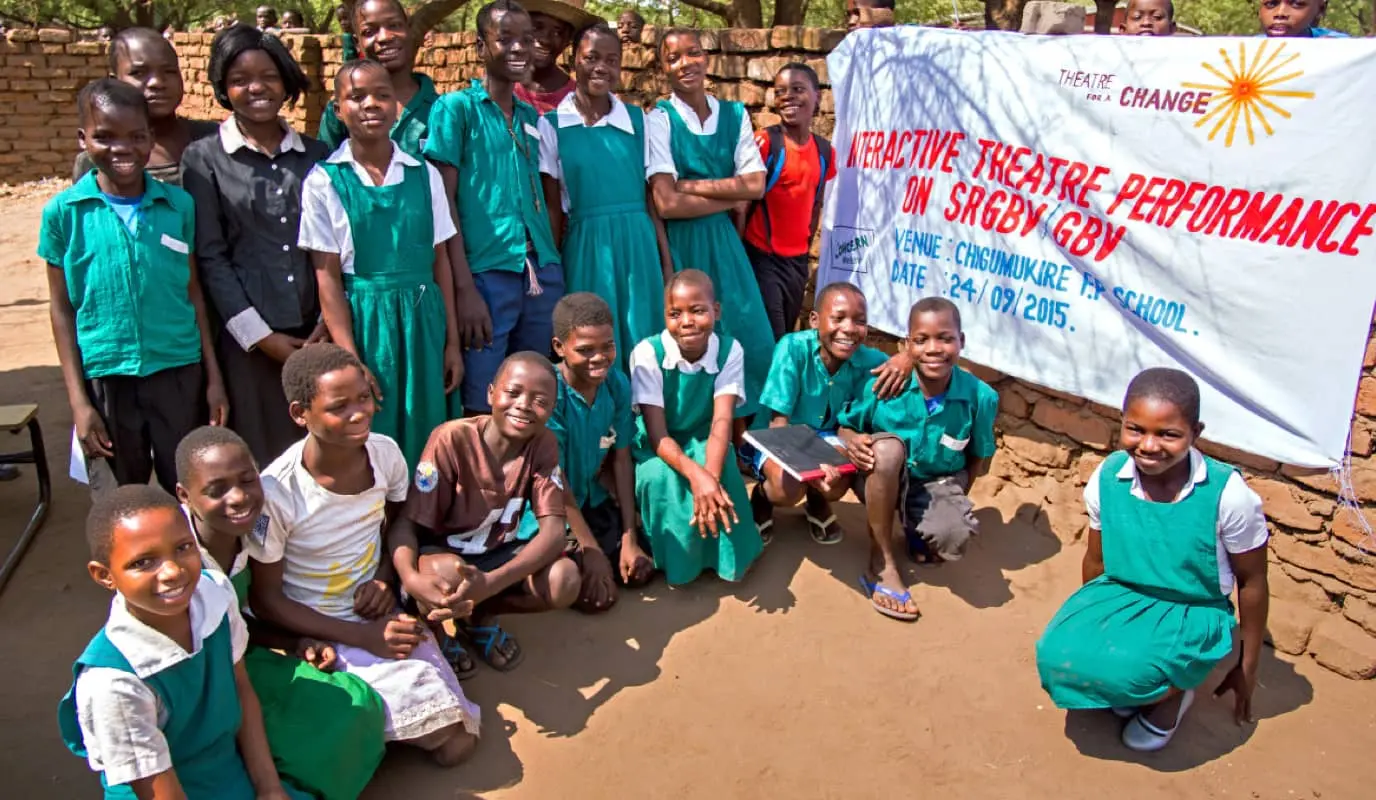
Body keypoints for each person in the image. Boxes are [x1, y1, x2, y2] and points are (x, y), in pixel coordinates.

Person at [249, 344, 481, 765]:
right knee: (446, 739)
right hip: (321, 626)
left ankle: (385, 702)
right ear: (301, 413)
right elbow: (265, 599)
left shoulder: (384, 452)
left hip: (378, 611)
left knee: (456, 742)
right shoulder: (277, 493)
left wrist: (385, 579)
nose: (360, 412)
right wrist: (360, 637)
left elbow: (397, 524)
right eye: (340, 406)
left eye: (363, 397)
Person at [1036, 368, 1270, 752]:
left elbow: (1253, 581)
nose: (1148, 445)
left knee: (1133, 674)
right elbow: (1095, 560)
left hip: (1193, 607)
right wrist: (1095, 626)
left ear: (1196, 432)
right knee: (1056, 657)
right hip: (1125, 591)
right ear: (1121, 422)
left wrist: (1247, 664)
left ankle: (1173, 697)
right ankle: (1144, 684)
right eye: (1135, 429)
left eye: (1168, 434)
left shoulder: (1227, 494)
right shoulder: (1109, 475)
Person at [174, 426, 386, 799]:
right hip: (195, 684)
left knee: (355, 706)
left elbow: (237, 620)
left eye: (247, 480)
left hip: (242, 658)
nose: (238, 497)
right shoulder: (177, 561)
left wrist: (293, 641)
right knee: (291, 745)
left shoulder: (257, 525)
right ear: (184, 495)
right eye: (216, 489)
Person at [44, 80, 228, 496]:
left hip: (178, 373)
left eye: (136, 136)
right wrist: (80, 402)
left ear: (150, 138)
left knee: (189, 489)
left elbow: (194, 293)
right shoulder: (64, 213)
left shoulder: (179, 206)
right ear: (82, 139)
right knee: (119, 498)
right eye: (104, 137)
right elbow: (61, 309)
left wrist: (213, 377)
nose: (121, 148)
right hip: (107, 377)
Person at [58, 485, 300, 799]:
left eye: (183, 547)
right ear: (105, 575)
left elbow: (240, 687)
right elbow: (157, 789)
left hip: (223, 769)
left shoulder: (214, 593)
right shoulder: (114, 681)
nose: (172, 571)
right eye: (143, 562)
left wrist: (269, 788)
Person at [300, 59, 463, 469]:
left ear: (396, 107)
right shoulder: (324, 181)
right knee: (374, 422)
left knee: (427, 424)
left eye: (382, 95)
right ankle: (379, 518)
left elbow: (440, 259)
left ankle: (425, 516)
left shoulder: (424, 174)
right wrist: (349, 359)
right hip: (366, 320)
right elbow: (328, 277)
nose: (371, 104)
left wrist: (452, 343)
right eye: (356, 97)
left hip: (424, 317)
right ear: (337, 109)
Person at [183, 26, 330, 468]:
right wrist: (261, 338)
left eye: (267, 75)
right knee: (262, 459)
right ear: (224, 89)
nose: (256, 88)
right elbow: (210, 257)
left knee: (318, 449)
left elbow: (334, 248)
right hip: (248, 344)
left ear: (286, 81)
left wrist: (325, 323)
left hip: (314, 333)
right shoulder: (204, 158)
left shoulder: (318, 155)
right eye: (240, 79)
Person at [392, 352, 580, 673]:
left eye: (540, 400)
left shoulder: (542, 443)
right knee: (452, 572)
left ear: (552, 409)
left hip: (491, 557)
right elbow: (404, 525)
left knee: (565, 579)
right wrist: (410, 579)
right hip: (440, 559)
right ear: (491, 393)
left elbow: (552, 532)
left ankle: (476, 617)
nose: (523, 404)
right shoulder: (451, 439)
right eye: (513, 392)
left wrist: (489, 585)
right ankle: (435, 627)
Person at [425, 0, 565, 416]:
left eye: (527, 38)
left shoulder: (528, 114)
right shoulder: (457, 110)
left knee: (536, 388)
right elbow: (442, 201)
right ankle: (482, 480)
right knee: (485, 399)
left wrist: (551, 260)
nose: (520, 48)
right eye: (505, 38)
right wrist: (464, 289)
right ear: (480, 45)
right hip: (485, 274)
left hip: (540, 269)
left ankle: (528, 479)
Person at [837, 297, 998, 621]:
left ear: (961, 342)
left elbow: (977, 459)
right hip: (878, 476)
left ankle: (914, 527)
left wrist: (947, 505)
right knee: (888, 451)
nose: (934, 349)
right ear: (906, 345)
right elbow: (845, 426)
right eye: (921, 340)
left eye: (946, 338)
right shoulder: (883, 384)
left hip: (936, 481)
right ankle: (879, 564)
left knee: (952, 536)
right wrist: (852, 441)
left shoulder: (980, 397)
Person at [647, 28, 772, 420]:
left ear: (707, 58)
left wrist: (693, 186)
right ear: (662, 68)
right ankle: (704, 429)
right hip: (683, 245)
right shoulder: (659, 119)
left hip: (724, 241)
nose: (686, 63)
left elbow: (755, 185)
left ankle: (750, 434)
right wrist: (728, 197)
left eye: (693, 53)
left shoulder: (734, 115)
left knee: (752, 336)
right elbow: (666, 203)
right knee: (694, 339)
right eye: (674, 58)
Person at [538, 22, 671, 371]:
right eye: (592, 57)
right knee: (589, 340)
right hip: (586, 245)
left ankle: (643, 421)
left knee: (642, 335)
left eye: (612, 60)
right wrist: (552, 269)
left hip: (638, 244)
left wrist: (666, 263)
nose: (602, 67)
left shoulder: (640, 121)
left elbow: (651, 201)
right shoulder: (551, 126)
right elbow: (553, 207)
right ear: (573, 61)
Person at [518, 293, 653, 612]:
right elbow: (555, 479)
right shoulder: (550, 394)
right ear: (558, 347)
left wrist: (629, 537)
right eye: (585, 350)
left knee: (642, 568)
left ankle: (605, 549)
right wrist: (590, 550)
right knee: (595, 595)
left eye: (607, 346)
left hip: (589, 498)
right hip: (547, 507)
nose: (599, 358)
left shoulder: (615, 384)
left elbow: (621, 458)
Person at [749, 283, 912, 546]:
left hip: (828, 437)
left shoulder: (869, 361)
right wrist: (807, 466)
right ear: (814, 320)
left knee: (837, 481)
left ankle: (817, 499)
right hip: (781, 437)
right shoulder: (792, 348)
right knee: (786, 488)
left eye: (860, 321)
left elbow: (917, 361)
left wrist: (907, 358)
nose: (849, 329)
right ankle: (761, 497)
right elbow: (778, 423)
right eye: (838, 318)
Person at [630, 270, 763, 585]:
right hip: (658, 443)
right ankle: (676, 559)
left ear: (716, 311)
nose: (686, 321)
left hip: (704, 435)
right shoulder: (648, 354)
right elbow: (658, 435)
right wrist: (697, 476)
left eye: (698, 310)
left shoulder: (730, 350)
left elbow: (721, 422)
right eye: (675, 314)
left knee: (719, 462)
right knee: (658, 478)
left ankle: (722, 557)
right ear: (664, 316)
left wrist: (710, 480)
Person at [740, 62, 835, 341]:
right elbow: (742, 204)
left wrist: (804, 249)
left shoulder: (825, 152)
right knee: (774, 338)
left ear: (817, 95)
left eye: (798, 89)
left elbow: (815, 203)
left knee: (789, 333)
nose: (788, 97)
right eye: (780, 91)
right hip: (762, 258)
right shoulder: (766, 142)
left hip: (796, 262)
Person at [75, 27, 219, 186]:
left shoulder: (213, 139)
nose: (157, 83)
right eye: (138, 73)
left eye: (169, 71)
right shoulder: (98, 159)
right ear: (114, 81)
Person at [318, 0, 439, 160]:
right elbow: (324, 172)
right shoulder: (345, 111)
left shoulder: (441, 110)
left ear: (409, 29)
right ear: (357, 43)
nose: (384, 37)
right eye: (369, 32)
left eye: (394, 25)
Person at [515, 0, 597, 113]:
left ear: (568, 40)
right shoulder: (499, 85)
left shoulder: (578, 101)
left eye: (557, 32)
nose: (545, 39)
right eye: (536, 28)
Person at [1259, 0, 1349, 36]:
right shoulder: (1248, 52)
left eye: (1297, 4)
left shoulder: (1343, 47)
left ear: (1320, 9)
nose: (1280, 13)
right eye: (1271, 4)